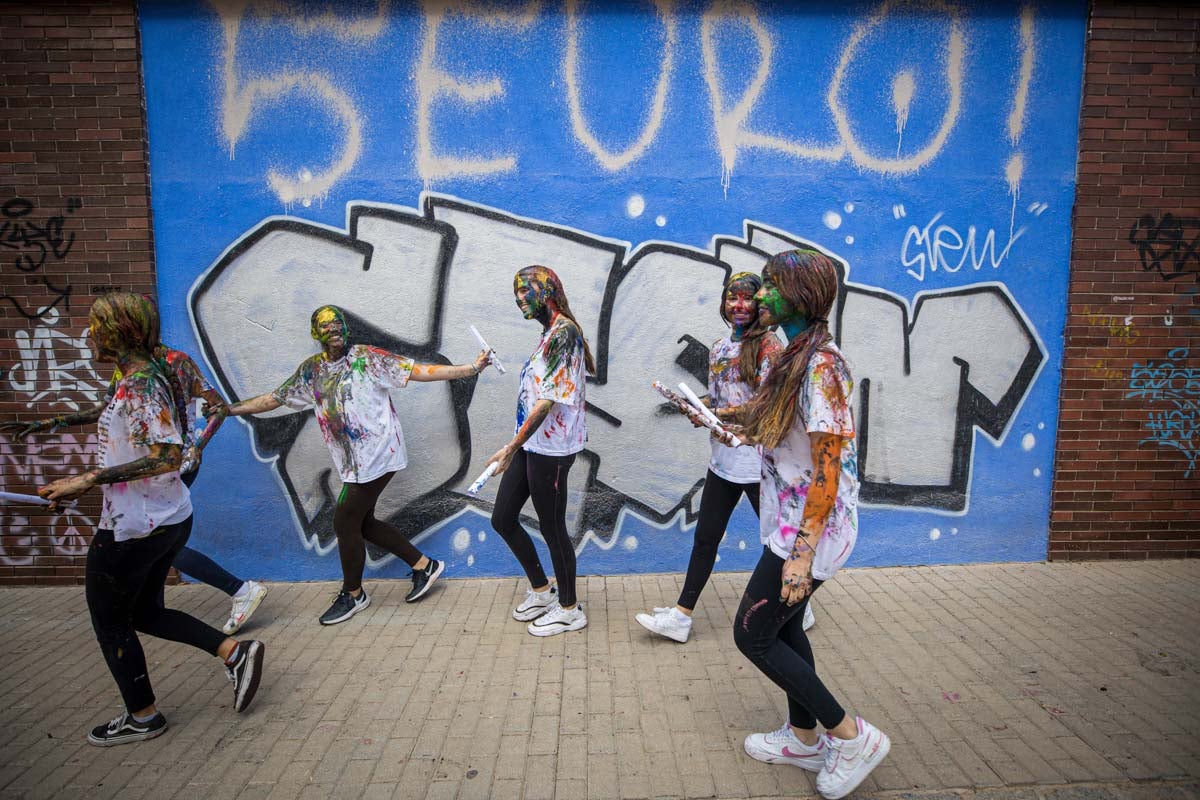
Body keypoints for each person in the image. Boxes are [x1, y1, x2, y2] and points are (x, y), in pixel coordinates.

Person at [37, 293, 264, 746]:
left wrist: (86, 480)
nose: (89, 334)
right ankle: (235, 653)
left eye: (95, 325)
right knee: (146, 612)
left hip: (135, 526)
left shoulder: (142, 384)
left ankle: (143, 716)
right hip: (164, 515)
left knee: (110, 620)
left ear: (118, 331)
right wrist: (58, 429)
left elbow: (166, 456)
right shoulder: (135, 378)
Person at [732, 250, 889, 799]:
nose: (760, 297)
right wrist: (721, 420)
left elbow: (829, 467)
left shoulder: (823, 367)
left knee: (751, 633)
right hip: (791, 521)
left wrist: (801, 555)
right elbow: (779, 429)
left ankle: (850, 735)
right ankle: (802, 738)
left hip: (813, 529)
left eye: (770, 286)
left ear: (797, 294)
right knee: (786, 628)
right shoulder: (794, 354)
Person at [227, 305, 491, 625]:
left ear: (345, 330)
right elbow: (275, 398)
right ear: (316, 333)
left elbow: (419, 371)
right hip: (352, 464)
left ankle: (353, 594)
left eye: (337, 324)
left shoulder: (367, 358)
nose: (333, 329)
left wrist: (470, 368)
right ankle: (424, 565)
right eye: (325, 326)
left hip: (380, 456)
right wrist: (229, 410)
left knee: (343, 522)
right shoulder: (312, 371)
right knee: (362, 524)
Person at [3, 350, 269, 636]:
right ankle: (165, 612)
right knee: (160, 543)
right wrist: (47, 424)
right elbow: (101, 410)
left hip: (172, 466)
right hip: (146, 469)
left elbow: (218, 407)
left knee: (161, 541)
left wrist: (198, 446)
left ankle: (238, 590)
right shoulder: (126, 366)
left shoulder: (175, 362)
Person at [636, 271, 807, 643]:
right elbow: (723, 400)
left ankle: (797, 606)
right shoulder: (719, 347)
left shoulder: (769, 349)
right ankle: (681, 617)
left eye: (748, 299)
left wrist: (716, 416)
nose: (740, 305)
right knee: (705, 539)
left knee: (777, 540)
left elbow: (764, 407)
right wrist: (698, 408)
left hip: (759, 462)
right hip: (724, 462)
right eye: (733, 298)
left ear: (761, 305)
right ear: (723, 303)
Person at [484, 265, 594, 637]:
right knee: (502, 518)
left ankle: (569, 608)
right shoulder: (549, 333)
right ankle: (542, 590)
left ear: (546, 291)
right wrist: (518, 444)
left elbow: (547, 400)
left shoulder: (565, 333)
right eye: (515, 294)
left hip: (553, 449)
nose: (519, 300)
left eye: (525, 292)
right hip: (533, 444)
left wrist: (510, 447)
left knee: (552, 527)